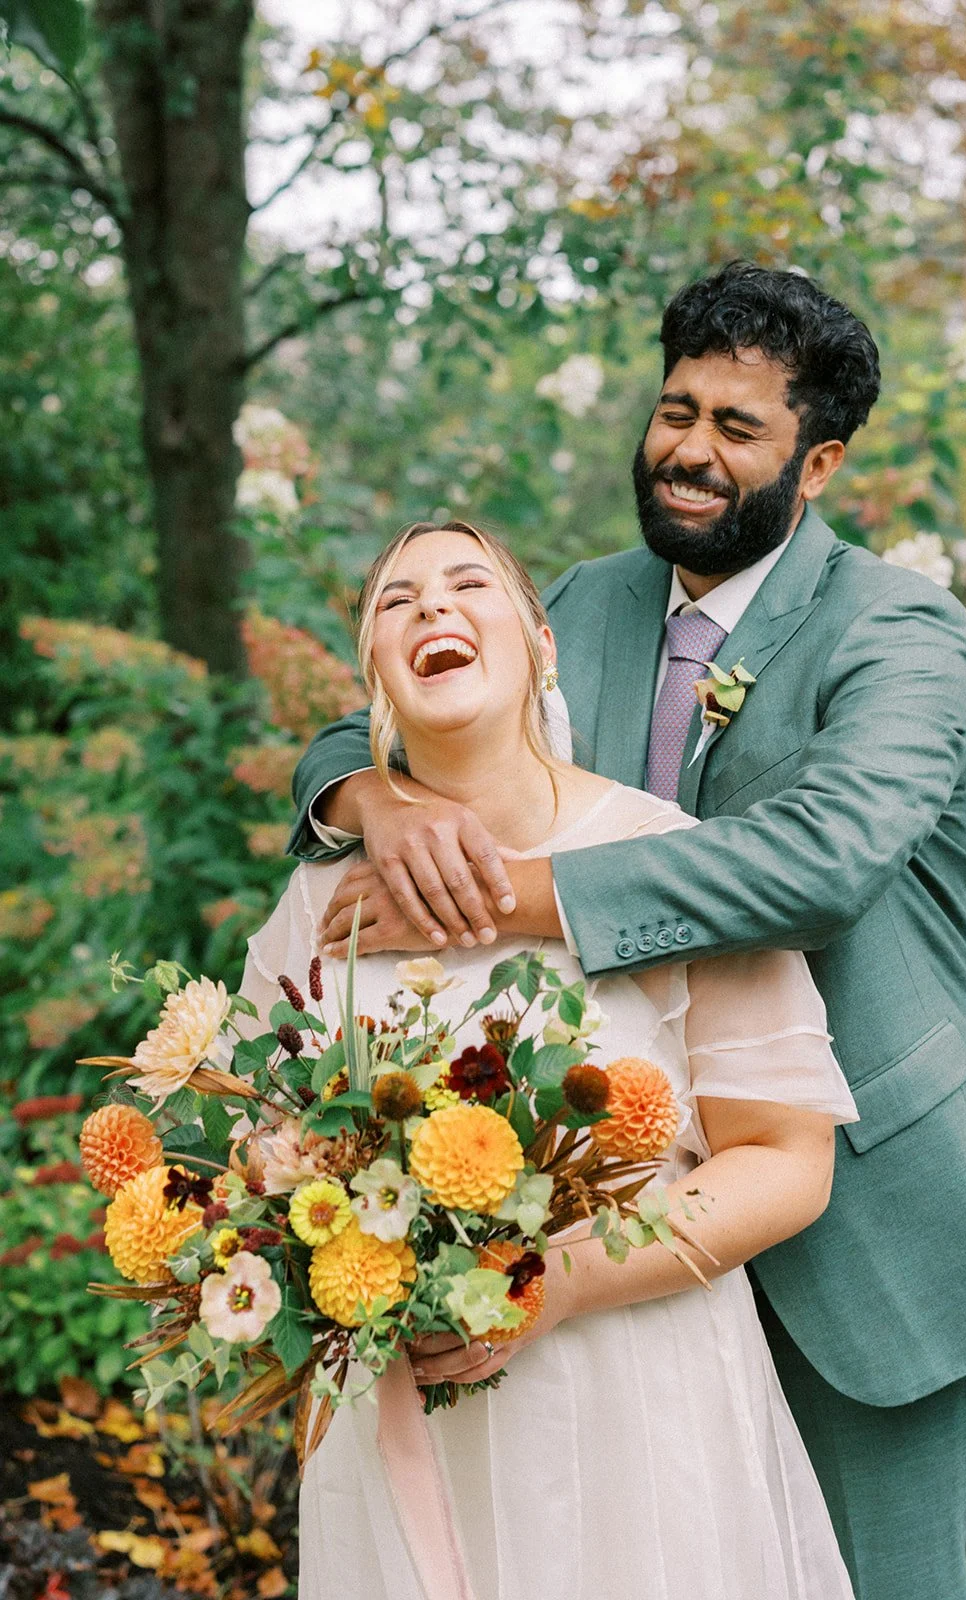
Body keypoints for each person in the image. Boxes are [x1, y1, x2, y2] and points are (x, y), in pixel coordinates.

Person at [289, 263, 966, 1600]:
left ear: (818, 460)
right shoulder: (587, 601)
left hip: (871, 1229)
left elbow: (821, 863)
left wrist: (512, 895)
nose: (687, 451)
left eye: (736, 428)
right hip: (621, 1257)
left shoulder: (898, 630)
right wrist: (366, 795)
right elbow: (406, 697)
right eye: (676, 411)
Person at [242, 519, 860, 1600]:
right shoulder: (321, 899)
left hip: (632, 1394)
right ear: (375, 676)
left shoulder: (673, 862)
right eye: (397, 601)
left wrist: (558, 1283)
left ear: (541, 645)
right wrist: (291, 1202)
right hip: (400, 1412)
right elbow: (256, 1129)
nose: (432, 606)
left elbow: (788, 1160)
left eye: (469, 582)